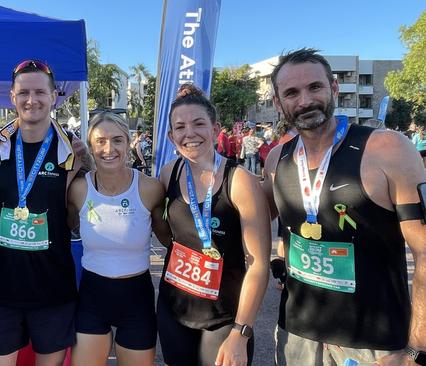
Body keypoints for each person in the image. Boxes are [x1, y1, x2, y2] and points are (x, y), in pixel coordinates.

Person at [262, 48, 426, 366]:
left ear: (334, 88)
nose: (305, 100)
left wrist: (417, 350)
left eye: (315, 87)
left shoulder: (388, 149)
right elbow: (255, 218)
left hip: (376, 343)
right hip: (297, 335)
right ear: (278, 103)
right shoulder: (276, 159)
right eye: (291, 93)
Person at [0, 59, 85, 366]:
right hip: (2, 289)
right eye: (23, 92)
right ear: (12, 96)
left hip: (54, 290)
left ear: (54, 97)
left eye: (40, 92)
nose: (31, 100)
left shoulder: (71, 150)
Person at [158, 84, 271, 366]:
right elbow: (169, 234)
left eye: (198, 124)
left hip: (223, 316)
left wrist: (241, 332)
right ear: (171, 136)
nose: (189, 133)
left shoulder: (240, 180)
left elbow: (258, 264)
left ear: (214, 128)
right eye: (180, 127)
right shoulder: (169, 173)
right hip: (175, 308)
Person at [67, 112, 170, 366]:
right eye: (100, 141)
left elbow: (170, 239)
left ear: (128, 143)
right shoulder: (78, 190)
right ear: (91, 145)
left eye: (117, 140)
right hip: (92, 298)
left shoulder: (150, 188)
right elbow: (66, 227)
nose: (109, 149)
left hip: (137, 300)